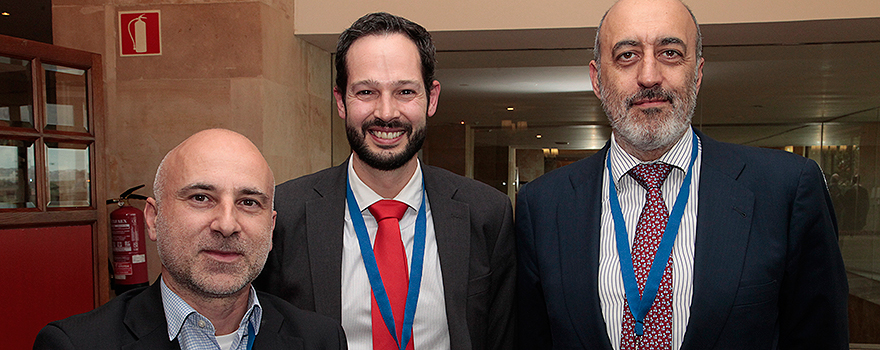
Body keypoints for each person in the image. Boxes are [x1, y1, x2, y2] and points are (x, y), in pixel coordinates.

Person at [515, 0, 849, 349]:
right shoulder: (542, 206)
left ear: (698, 73)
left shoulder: (785, 190)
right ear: (597, 79)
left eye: (670, 53)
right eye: (627, 55)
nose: (649, 76)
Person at [254, 12, 515, 350]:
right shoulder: (284, 215)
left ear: (431, 98)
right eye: (366, 92)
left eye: (405, 91)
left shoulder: (486, 213)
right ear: (340, 101)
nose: (387, 113)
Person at [34, 129, 347, 350]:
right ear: (154, 219)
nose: (227, 224)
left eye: (249, 202)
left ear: (270, 229)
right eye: (201, 197)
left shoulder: (320, 339)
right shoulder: (76, 344)